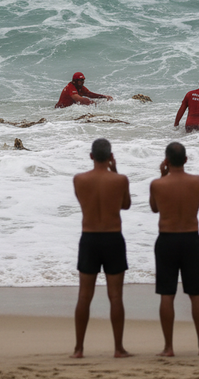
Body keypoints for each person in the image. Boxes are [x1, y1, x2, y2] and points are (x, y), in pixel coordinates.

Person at [149, 142, 199, 356]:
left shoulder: (157, 184)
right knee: (196, 294)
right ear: (186, 160)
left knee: (167, 294)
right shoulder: (197, 182)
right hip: (191, 239)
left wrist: (163, 175)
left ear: (166, 161)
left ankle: (168, 347)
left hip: (167, 240)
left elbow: (154, 208)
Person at [71, 138, 131, 358]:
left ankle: (78, 349)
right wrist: (115, 173)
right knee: (115, 296)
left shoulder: (79, 180)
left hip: (89, 239)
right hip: (113, 238)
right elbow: (125, 205)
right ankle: (118, 349)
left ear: (91, 156)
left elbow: (83, 202)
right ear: (111, 157)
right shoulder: (120, 180)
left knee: (84, 296)